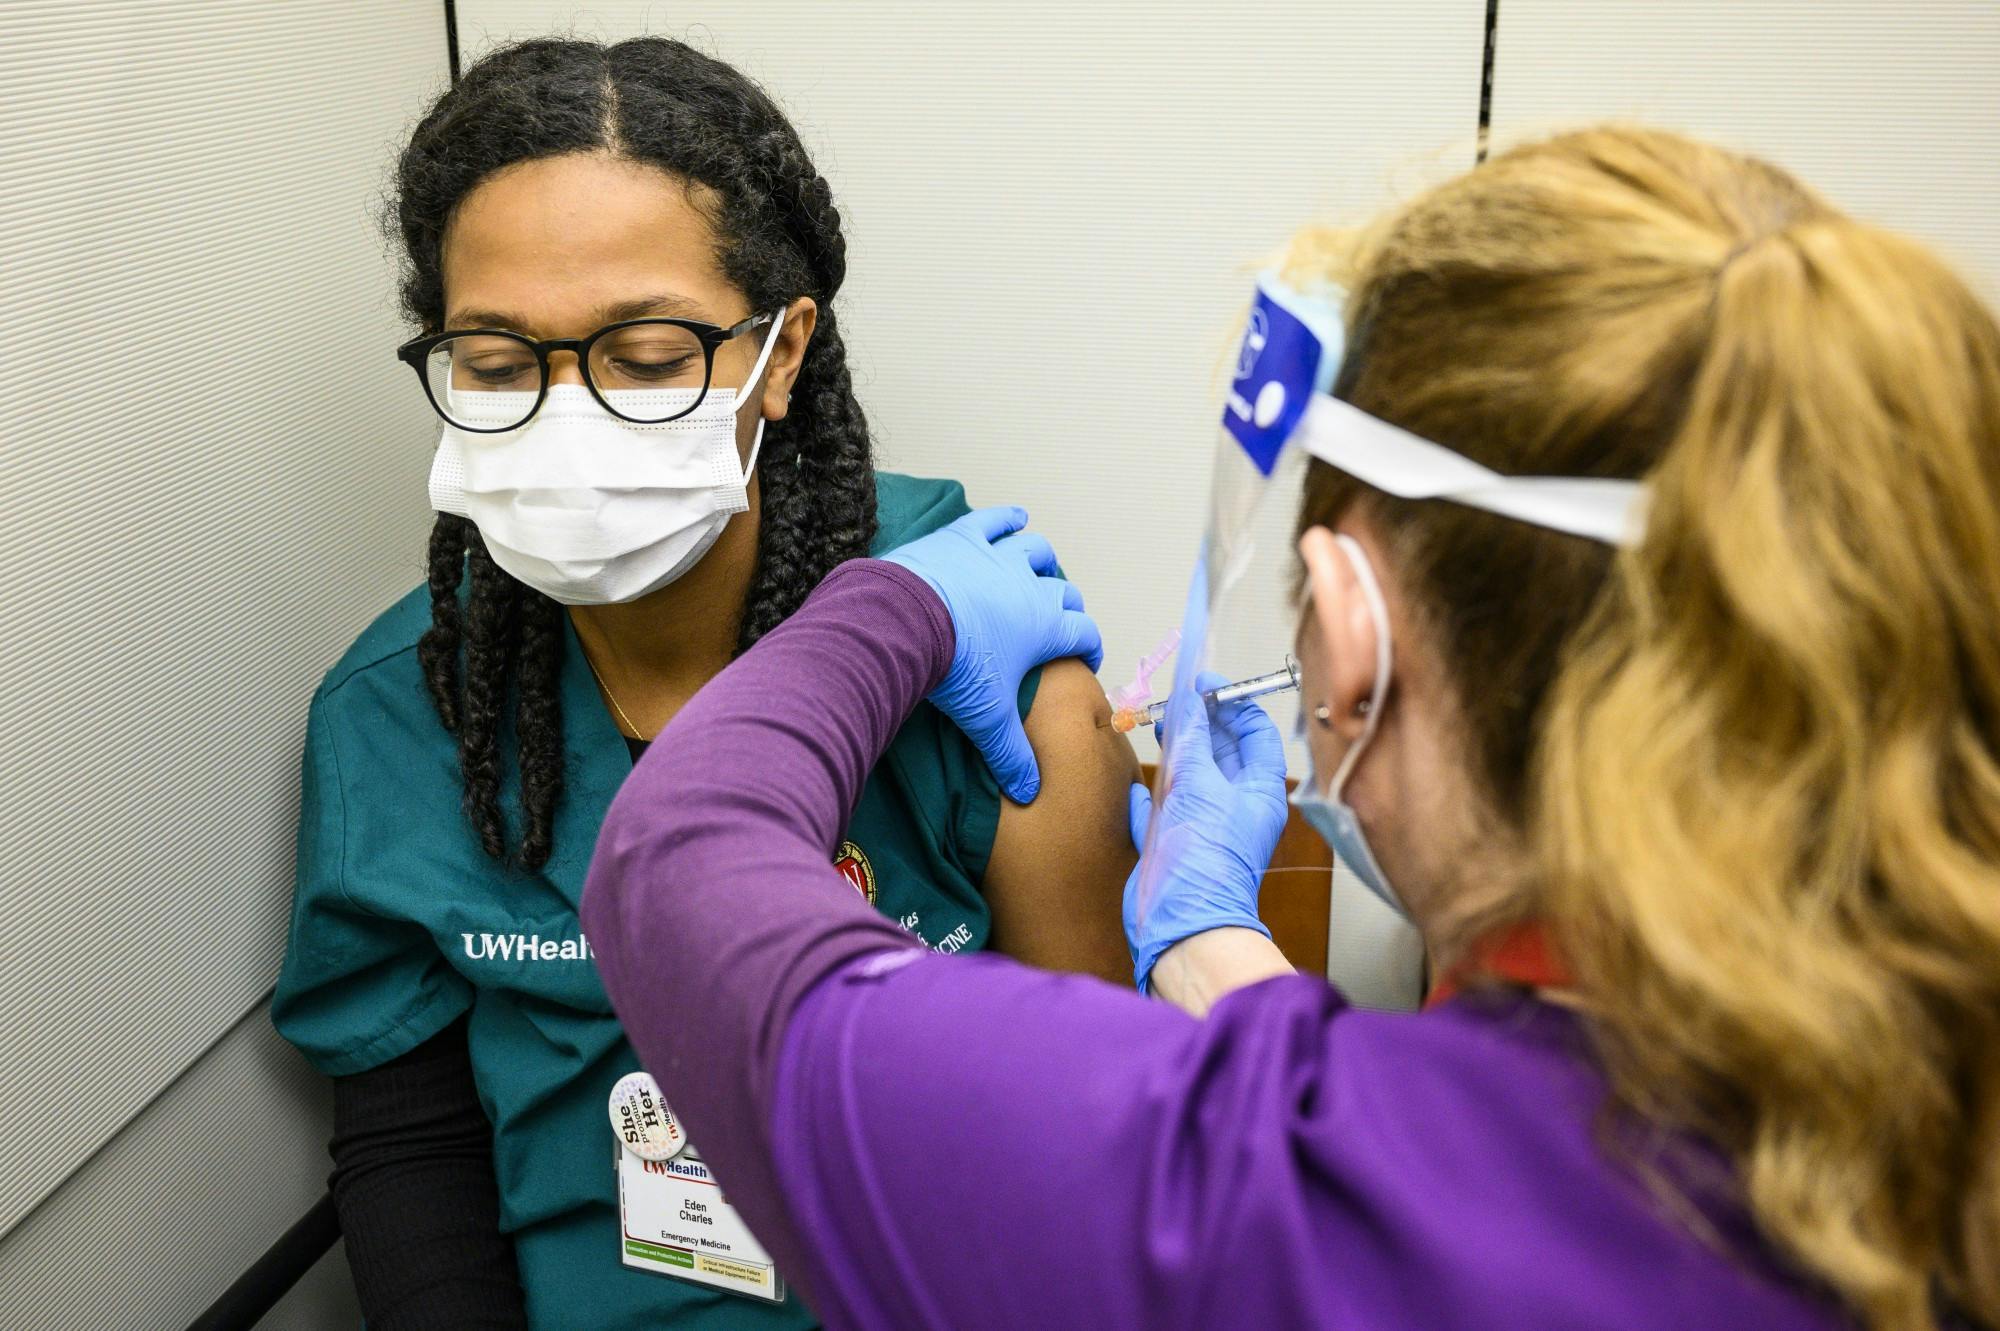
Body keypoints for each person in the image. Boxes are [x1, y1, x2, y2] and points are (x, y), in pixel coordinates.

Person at [582, 127, 2000, 1331]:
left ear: (1354, 623)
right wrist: (1207, 936)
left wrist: (887, 608)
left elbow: (676, 871)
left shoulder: (1248, 1208)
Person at [269, 37, 1136, 1330]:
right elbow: (415, 1158)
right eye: (499, 364)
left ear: (782, 355)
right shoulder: (400, 713)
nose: (569, 416)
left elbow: (1091, 1167)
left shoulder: (985, 670)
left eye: (649, 351)